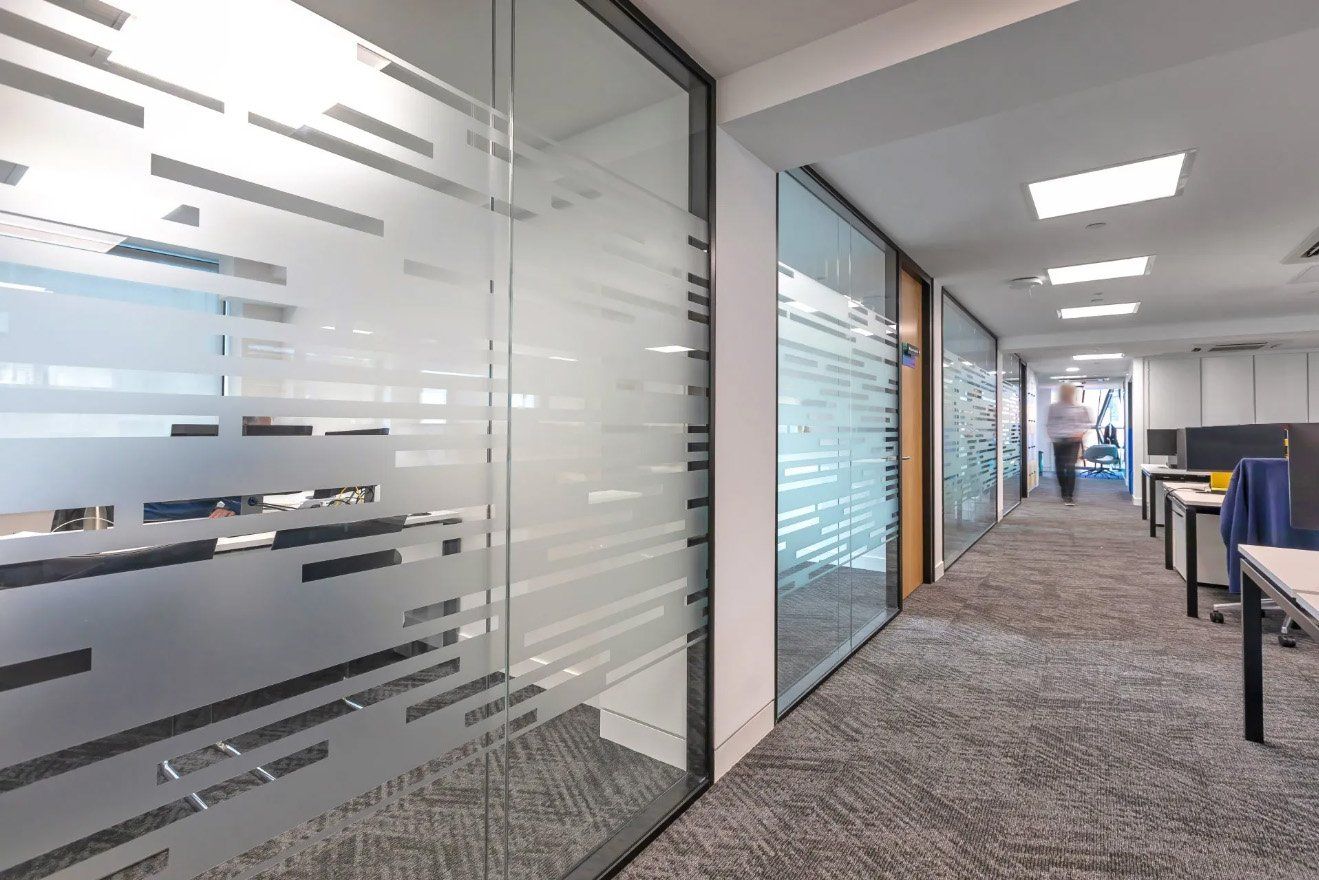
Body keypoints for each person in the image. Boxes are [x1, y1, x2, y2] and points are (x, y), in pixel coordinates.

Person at [1047, 383, 1091, 506]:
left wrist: (1080, 433)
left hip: (1073, 440)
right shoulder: (1054, 408)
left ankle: (1069, 495)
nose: (1066, 394)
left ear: (1072, 393)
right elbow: (1049, 423)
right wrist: (1051, 435)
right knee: (1060, 468)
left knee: (1070, 466)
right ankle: (1063, 490)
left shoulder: (1080, 408)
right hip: (1058, 440)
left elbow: (1087, 424)